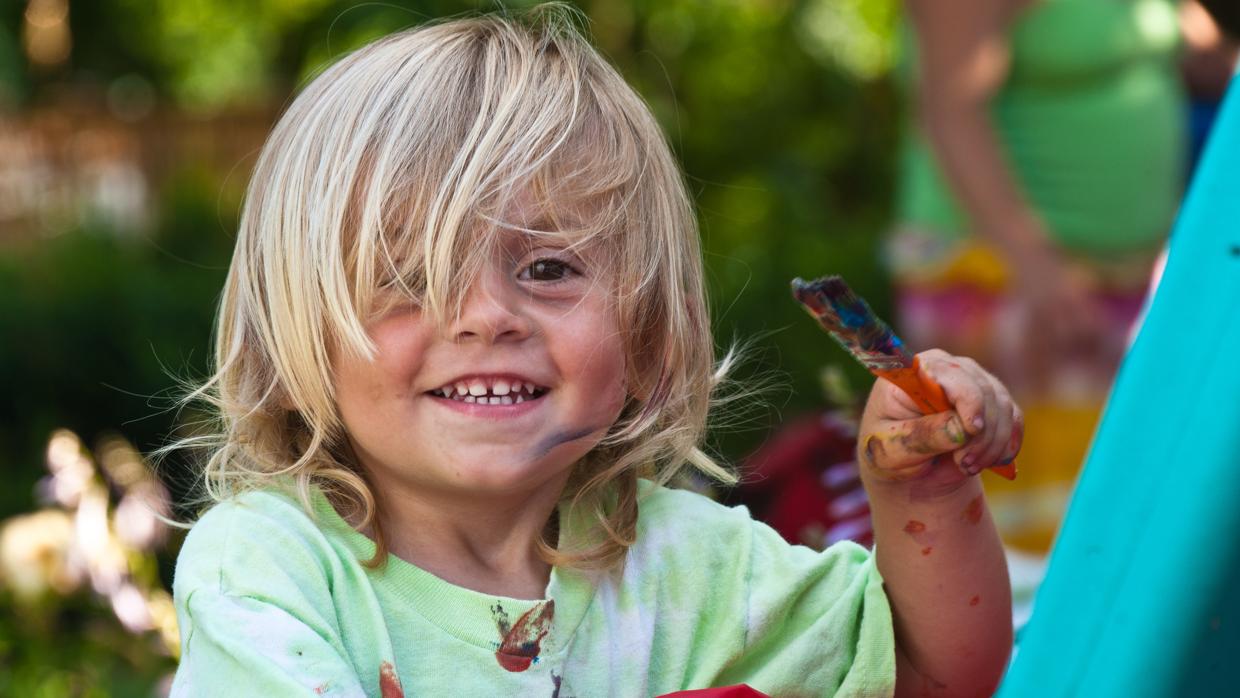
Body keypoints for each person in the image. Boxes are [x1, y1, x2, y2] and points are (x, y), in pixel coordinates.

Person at [168, 7, 1021, 696]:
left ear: (648, 337)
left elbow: (934, 672)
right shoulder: (271, 567)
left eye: (547, 267)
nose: (485, 315)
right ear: (288, 343)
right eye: (407, 275)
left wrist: (925, 498)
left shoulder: (689, 566)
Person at [893, 0, 1186, 551]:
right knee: (1020, 548)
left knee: (1111, 525)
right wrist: (1037, 267)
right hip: (1002, 282)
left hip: (1119, 280)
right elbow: (950, 110)